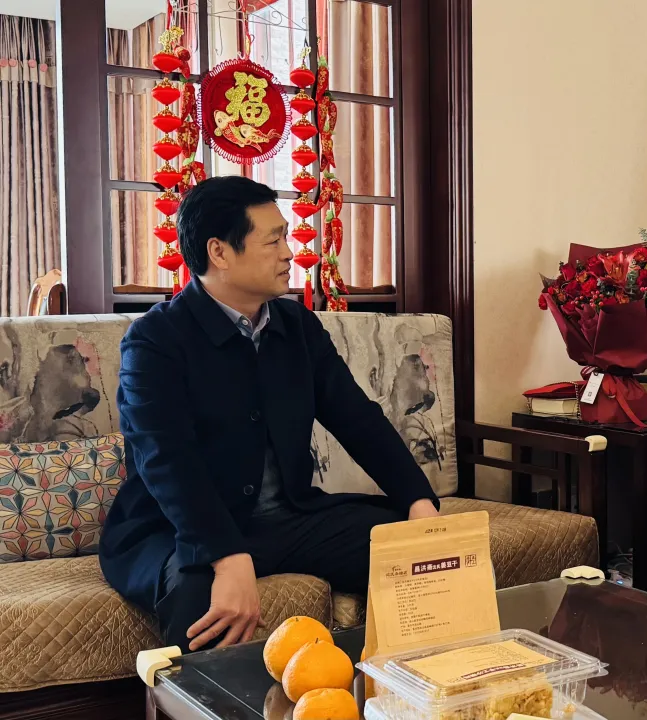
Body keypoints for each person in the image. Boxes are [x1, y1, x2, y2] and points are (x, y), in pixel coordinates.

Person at [100, 176, 441, 653]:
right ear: (219, 252)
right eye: (274, 240)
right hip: (178, 529)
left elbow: (357, 419)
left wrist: (418, 501)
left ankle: (412, 687)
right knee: (202, 604)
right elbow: (166, 460)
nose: (290, 253)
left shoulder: (296, 326)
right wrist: (226, 554)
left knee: (422, 557)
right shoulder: (155, 341)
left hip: (290, 518)